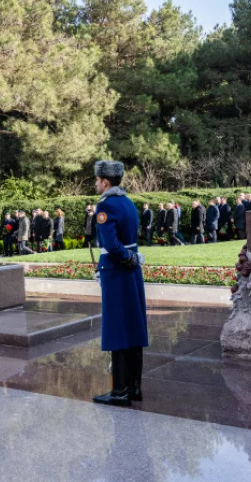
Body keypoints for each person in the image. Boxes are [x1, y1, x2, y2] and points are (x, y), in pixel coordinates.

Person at [91, 160, 148, 407]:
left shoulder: (106, 206)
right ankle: (134, 387)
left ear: (105, 182)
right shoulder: (128, 203)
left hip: (117, 271)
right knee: (134, 326)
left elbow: (112, 245)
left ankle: (120, 391)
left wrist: (126, 258)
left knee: (117, 329)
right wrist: (132, 258)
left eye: (97, 180)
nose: (95, 184)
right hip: (132, 271)